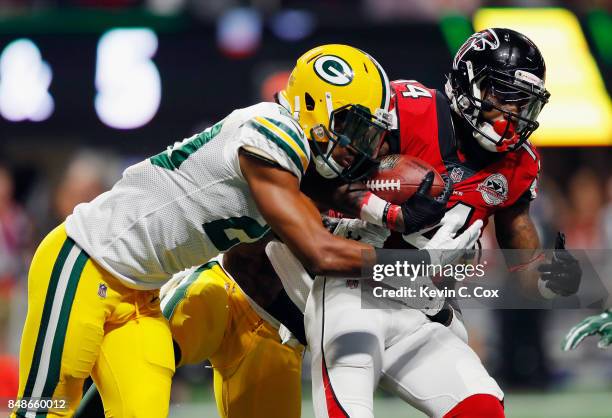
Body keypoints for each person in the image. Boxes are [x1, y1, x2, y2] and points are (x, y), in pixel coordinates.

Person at [14, 44, 453, 418]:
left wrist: (391, 215)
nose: (356, 144)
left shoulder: (293, 153)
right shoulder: (271, 133)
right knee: (42, 406)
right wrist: (414, 266)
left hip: (140, 295)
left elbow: (333, 191)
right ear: (314, 107)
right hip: (86, 259)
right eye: (353, 127)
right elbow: (319, 250)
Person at [303, 28, 582, 418]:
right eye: (503, 96)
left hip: (425, 310)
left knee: (483, 409)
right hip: (353, 288)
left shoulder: (520, 165)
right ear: (469, 82)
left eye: (524, 104)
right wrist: (382, 211)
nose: (513, 115)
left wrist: (550, 280)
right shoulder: (407, 110)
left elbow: (524, 262)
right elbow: (314, 177)